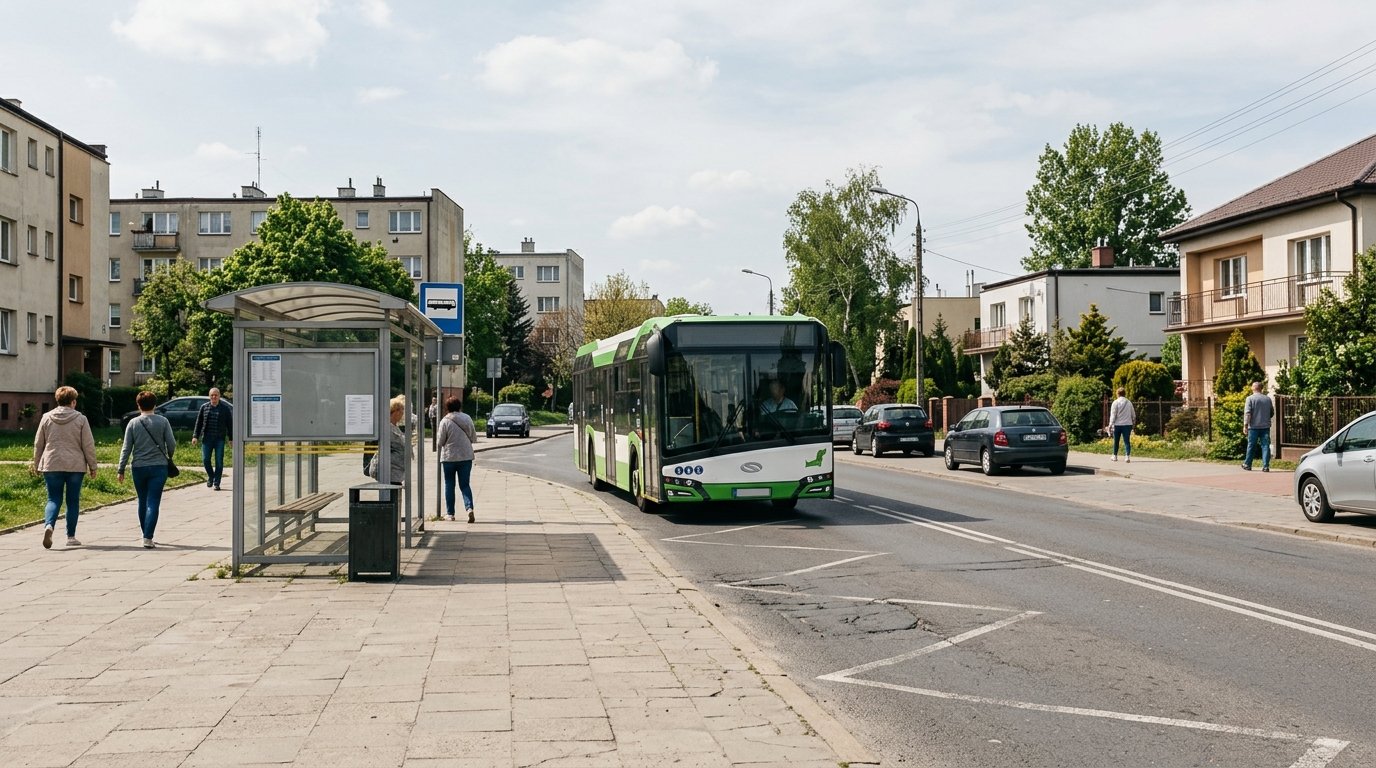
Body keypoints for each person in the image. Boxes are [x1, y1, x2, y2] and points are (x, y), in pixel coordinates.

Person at [31, 386, 98, 549]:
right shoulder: (81, 419)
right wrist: (93, 465)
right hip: (75, 465)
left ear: (57, 400)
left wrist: (36, 463)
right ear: (73, 401)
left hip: (52, 463)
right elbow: (88, 444)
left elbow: (39, 442)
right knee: (72, 501)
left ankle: (49, 525)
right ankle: (71, 536)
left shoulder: (46, 417)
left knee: (53, 499)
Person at [118, 391, 176, 548]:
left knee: (142, 500)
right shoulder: (163, 421)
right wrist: (168, 455)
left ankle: (146, 535)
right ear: (155, 405)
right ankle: (148, 537)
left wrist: (121, 468)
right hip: (159, 467)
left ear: (138, 405)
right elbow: (171, 444)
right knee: (153, 501)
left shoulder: (133, 423)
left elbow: (126, 448)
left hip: (138, 467)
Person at [436, 395, 478, 522]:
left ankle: (450, 514)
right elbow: (473, 437)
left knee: (449, 484)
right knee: (465, 484)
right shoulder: (467, 418)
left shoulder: (444, 421)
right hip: (465, 456)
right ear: (459, 406)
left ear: (447, 408)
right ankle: (469, 508)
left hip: (449, 457)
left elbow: (440, 441)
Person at [191, 387, 232, 491]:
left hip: (219, 439)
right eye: (212, 395)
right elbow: (199, 422)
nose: (214, 397)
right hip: (207, 439)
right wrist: (195, 436)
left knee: (219, 461)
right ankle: (211, 476)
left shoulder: (225, 409)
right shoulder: (204, 407)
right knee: (205, 460)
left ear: (219, 396)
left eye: (216, 395)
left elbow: (230, 425)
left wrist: (231, 438)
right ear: (209, 396)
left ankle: (217, 482)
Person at [368, 395, 411, 484]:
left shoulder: (395, 427)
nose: (402, 413)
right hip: (389, 472)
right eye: (401, 410)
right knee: (391, 496)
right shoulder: (387, 427)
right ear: (394, 411)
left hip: (396, 472)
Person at [1242, 381, 1273, 472]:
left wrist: (1245, 425)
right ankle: (1266, 466)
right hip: (1265, 426)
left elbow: (1248, 413)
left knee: (1251, 445)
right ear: (1261, 388)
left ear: (1253, 388)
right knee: (1265, 446)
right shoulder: (1267, 399)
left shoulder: (1250, 399)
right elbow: (1272, 412)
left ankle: (1247, 464)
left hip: (1253, 427)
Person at [1107, 387, 1136, 463]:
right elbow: (1133, 414)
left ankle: (1115, 456)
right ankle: (1127, 456)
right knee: (1127, 441)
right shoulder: (1129, 402)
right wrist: (1133, 422)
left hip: (1117, 424)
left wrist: (1110, 425)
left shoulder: (1115, 403)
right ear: (1124, 394)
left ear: (1117, 394)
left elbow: (1113, 415)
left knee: (1116, 441)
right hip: (1127, 424)